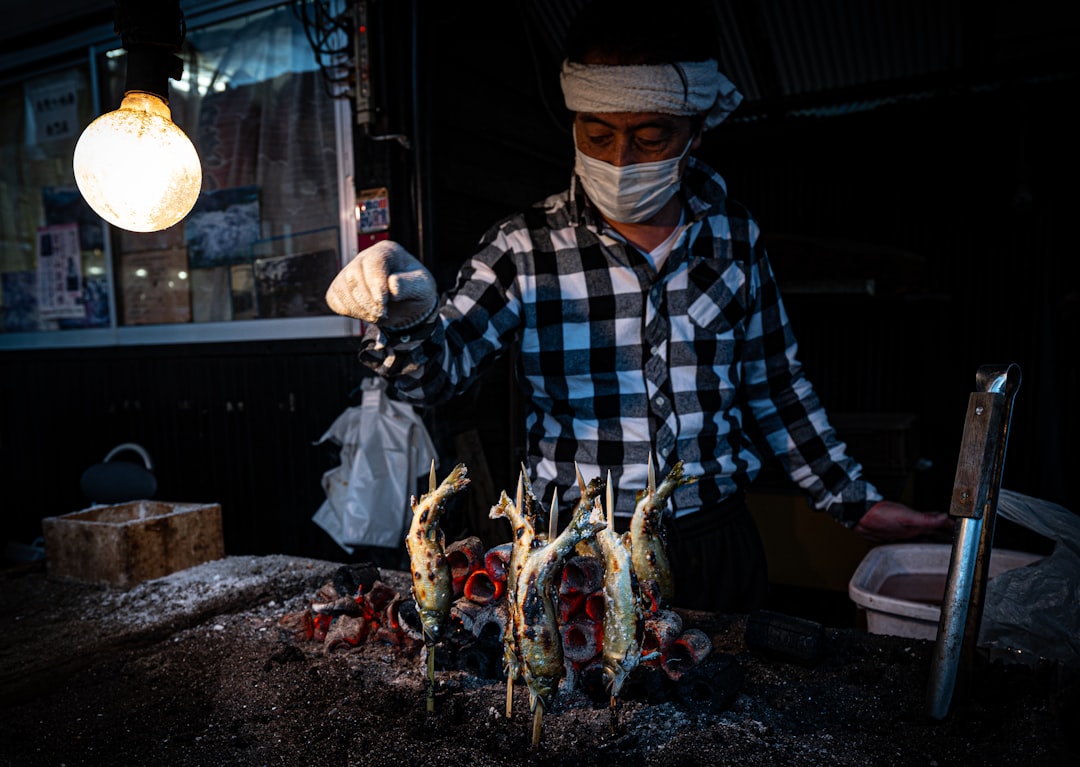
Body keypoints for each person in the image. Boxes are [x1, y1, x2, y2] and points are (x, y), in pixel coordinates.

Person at [325, 0, 953, 613]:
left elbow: (777, 388)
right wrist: (406, 321)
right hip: (575, 551)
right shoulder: (523, 247)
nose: (619, 160)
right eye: (597, 135)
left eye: (651, 137)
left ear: (696, 132)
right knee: (581, 713)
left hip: (714, 539)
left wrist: (857, 501)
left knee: (730, 704)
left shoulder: (733, 238)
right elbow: (441, 372)